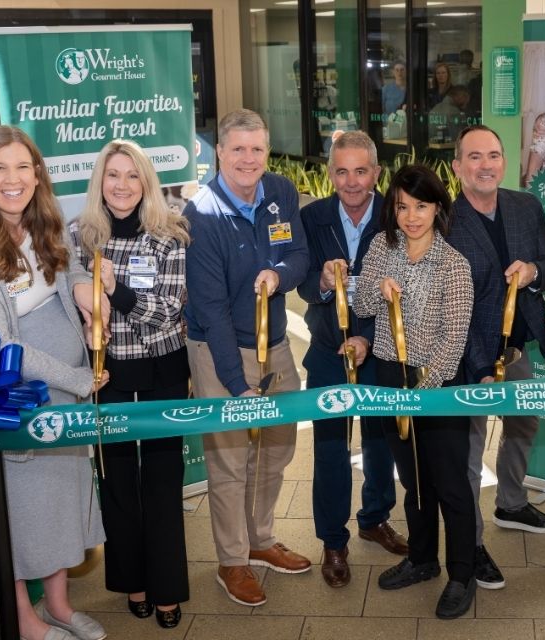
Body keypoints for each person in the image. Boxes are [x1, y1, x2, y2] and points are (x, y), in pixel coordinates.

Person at [0, 125, 107, 640]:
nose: (13, 180)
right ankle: (25, 619)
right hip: (9, 396)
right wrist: (76, 379)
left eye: (22, 167)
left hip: (61, 389)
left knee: (59, 499)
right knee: (11, 511)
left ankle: (57, 603)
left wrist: (82, 287)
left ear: (37, 172)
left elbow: (69, 265)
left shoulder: (41, 220)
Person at [183, 109, 311, 607]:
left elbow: (299, 254)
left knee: (276, 449)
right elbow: (210, 311)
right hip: (220, 351)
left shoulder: (279, 191)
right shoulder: (202, 215)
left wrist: (278, 274)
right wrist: (238, 386)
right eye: (237, 149)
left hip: (275, 343)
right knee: (231, 461)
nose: (248, 159)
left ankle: (261, 540)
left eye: (257, 149)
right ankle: (232, 561)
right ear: (219, 152)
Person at [69, 139, 191, 629]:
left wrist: (114, 289)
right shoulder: (81, 236)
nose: (122, 186)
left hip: (162, 367)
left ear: (147, 181)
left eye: (132, 175)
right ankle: (132, 581)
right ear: (100, 180)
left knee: (161, 481)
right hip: (107, 372)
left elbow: (165, 315)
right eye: (112, 175)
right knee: (117, 480)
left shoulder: (172, 233)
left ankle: (166, 589)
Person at [353, 165, 476, 619]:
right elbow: (361, 304)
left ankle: (462, 574)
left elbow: (453, 343)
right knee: (415, 481)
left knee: (451, 485)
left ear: (438, 208)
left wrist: (420, 395)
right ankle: (423, 559)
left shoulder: (454, 265)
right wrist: (378, 290)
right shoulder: (381, 249)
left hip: (437, 387)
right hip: (390, 377)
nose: (411, 216)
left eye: (421, 206)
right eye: (402, 206)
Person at [446, 125, 545, 591]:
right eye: (474, 157)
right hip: (465, 354)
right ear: (457, 167)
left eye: (494, 155)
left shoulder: (526, 206)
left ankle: (511, 503)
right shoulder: (443, 219)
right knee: (469, 450)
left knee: (524, 422)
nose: (486, 165)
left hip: (514, 348)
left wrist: (534, 270)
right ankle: (470, 544)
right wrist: (474, 365)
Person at [297, 131, 408, 588]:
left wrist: (364, 337)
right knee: (330, 449)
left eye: (361, 171)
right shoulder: (312, 218)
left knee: (381, 443)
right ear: (330, 173)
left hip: (380, 350)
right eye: (341, 171)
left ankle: (374, 517)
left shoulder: (397, 217)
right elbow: (302, 283)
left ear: (376, 174)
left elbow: (405, 287)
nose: (351, 181)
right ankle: (332, 540)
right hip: (327, 351)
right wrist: (322, 282)